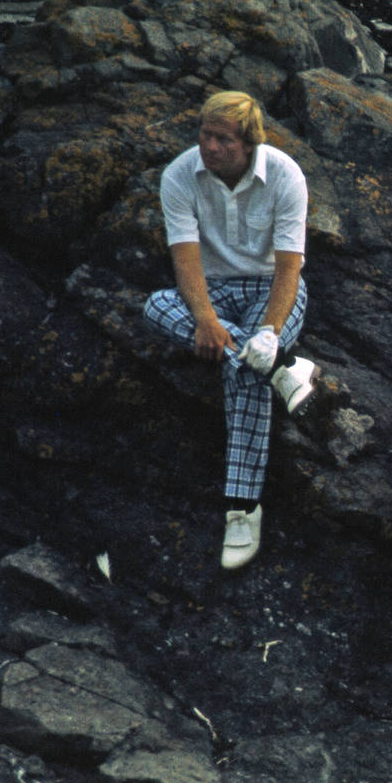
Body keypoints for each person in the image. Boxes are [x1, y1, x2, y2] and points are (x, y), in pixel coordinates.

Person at [143, 90, 319, 570]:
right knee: (156, 306)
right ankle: (284, 370)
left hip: (271, 289)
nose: (211, 146)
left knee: (241, 373)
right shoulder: (180, 175)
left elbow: (289, 269)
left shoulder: (285, 175)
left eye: (224, 139)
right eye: (206, 134)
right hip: (213, 292)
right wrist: (205, 319)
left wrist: (269, 332)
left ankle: (242, 508)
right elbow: (185, 259)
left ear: (249, 143)